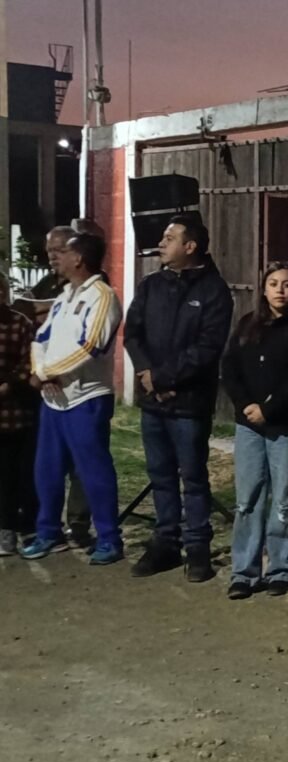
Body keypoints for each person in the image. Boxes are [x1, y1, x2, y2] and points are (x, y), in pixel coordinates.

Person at [124, 216, 233, 582]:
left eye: (169, 238)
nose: (161, 243)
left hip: (189, 404)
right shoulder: (151, 285)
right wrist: (147, 374)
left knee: (194, 477)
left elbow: (207, 348)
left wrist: (165, 378)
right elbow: (133, 334)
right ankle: (166, 543)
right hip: (153, 401)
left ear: (190, 246)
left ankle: (198, 547)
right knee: (160, 475)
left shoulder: (214, 291)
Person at [19, 234, 124, 564]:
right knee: (46, 469)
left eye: (61, 252)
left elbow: (91, 347)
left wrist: (47, 372)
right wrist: (41, 370)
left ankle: (109, 539)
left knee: (93, 471)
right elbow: (41, 337)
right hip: (54, 400)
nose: (55, 257)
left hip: (86, 398)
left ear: (78, 258)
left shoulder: (102, 296)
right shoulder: (65, 296)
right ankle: (48, 532)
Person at [222, 262, 288, 599]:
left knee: (284, 499)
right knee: (247, 499)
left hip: (287, 425)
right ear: (263, 288)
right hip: (249, 425)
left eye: (287, 284)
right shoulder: (249, 323)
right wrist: (246, 404)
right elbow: (230, 367)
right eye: (273, 284)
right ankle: (244, 571)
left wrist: (269, 410)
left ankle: (282, 567)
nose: (280, 290)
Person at [0, 272, 36, 555]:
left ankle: (9, 529)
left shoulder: (20, 323)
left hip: (12, 412)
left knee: (10, 475)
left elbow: (29, 361)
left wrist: (9, 384)